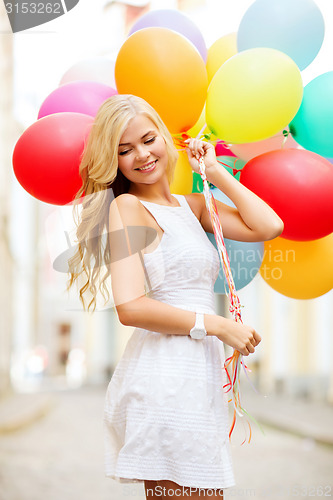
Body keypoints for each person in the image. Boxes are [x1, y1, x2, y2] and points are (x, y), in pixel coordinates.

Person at [67, 94, 284, 499]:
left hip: (199, 376)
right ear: (114, 161)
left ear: (165, 137)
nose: (142, 155)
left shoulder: (193, 208)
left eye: (149, 139)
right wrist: (219, 325)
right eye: (125, 150)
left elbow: (269, 225)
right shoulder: (127, 208)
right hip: (163, 378)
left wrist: (214, 170)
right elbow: (130, 307)